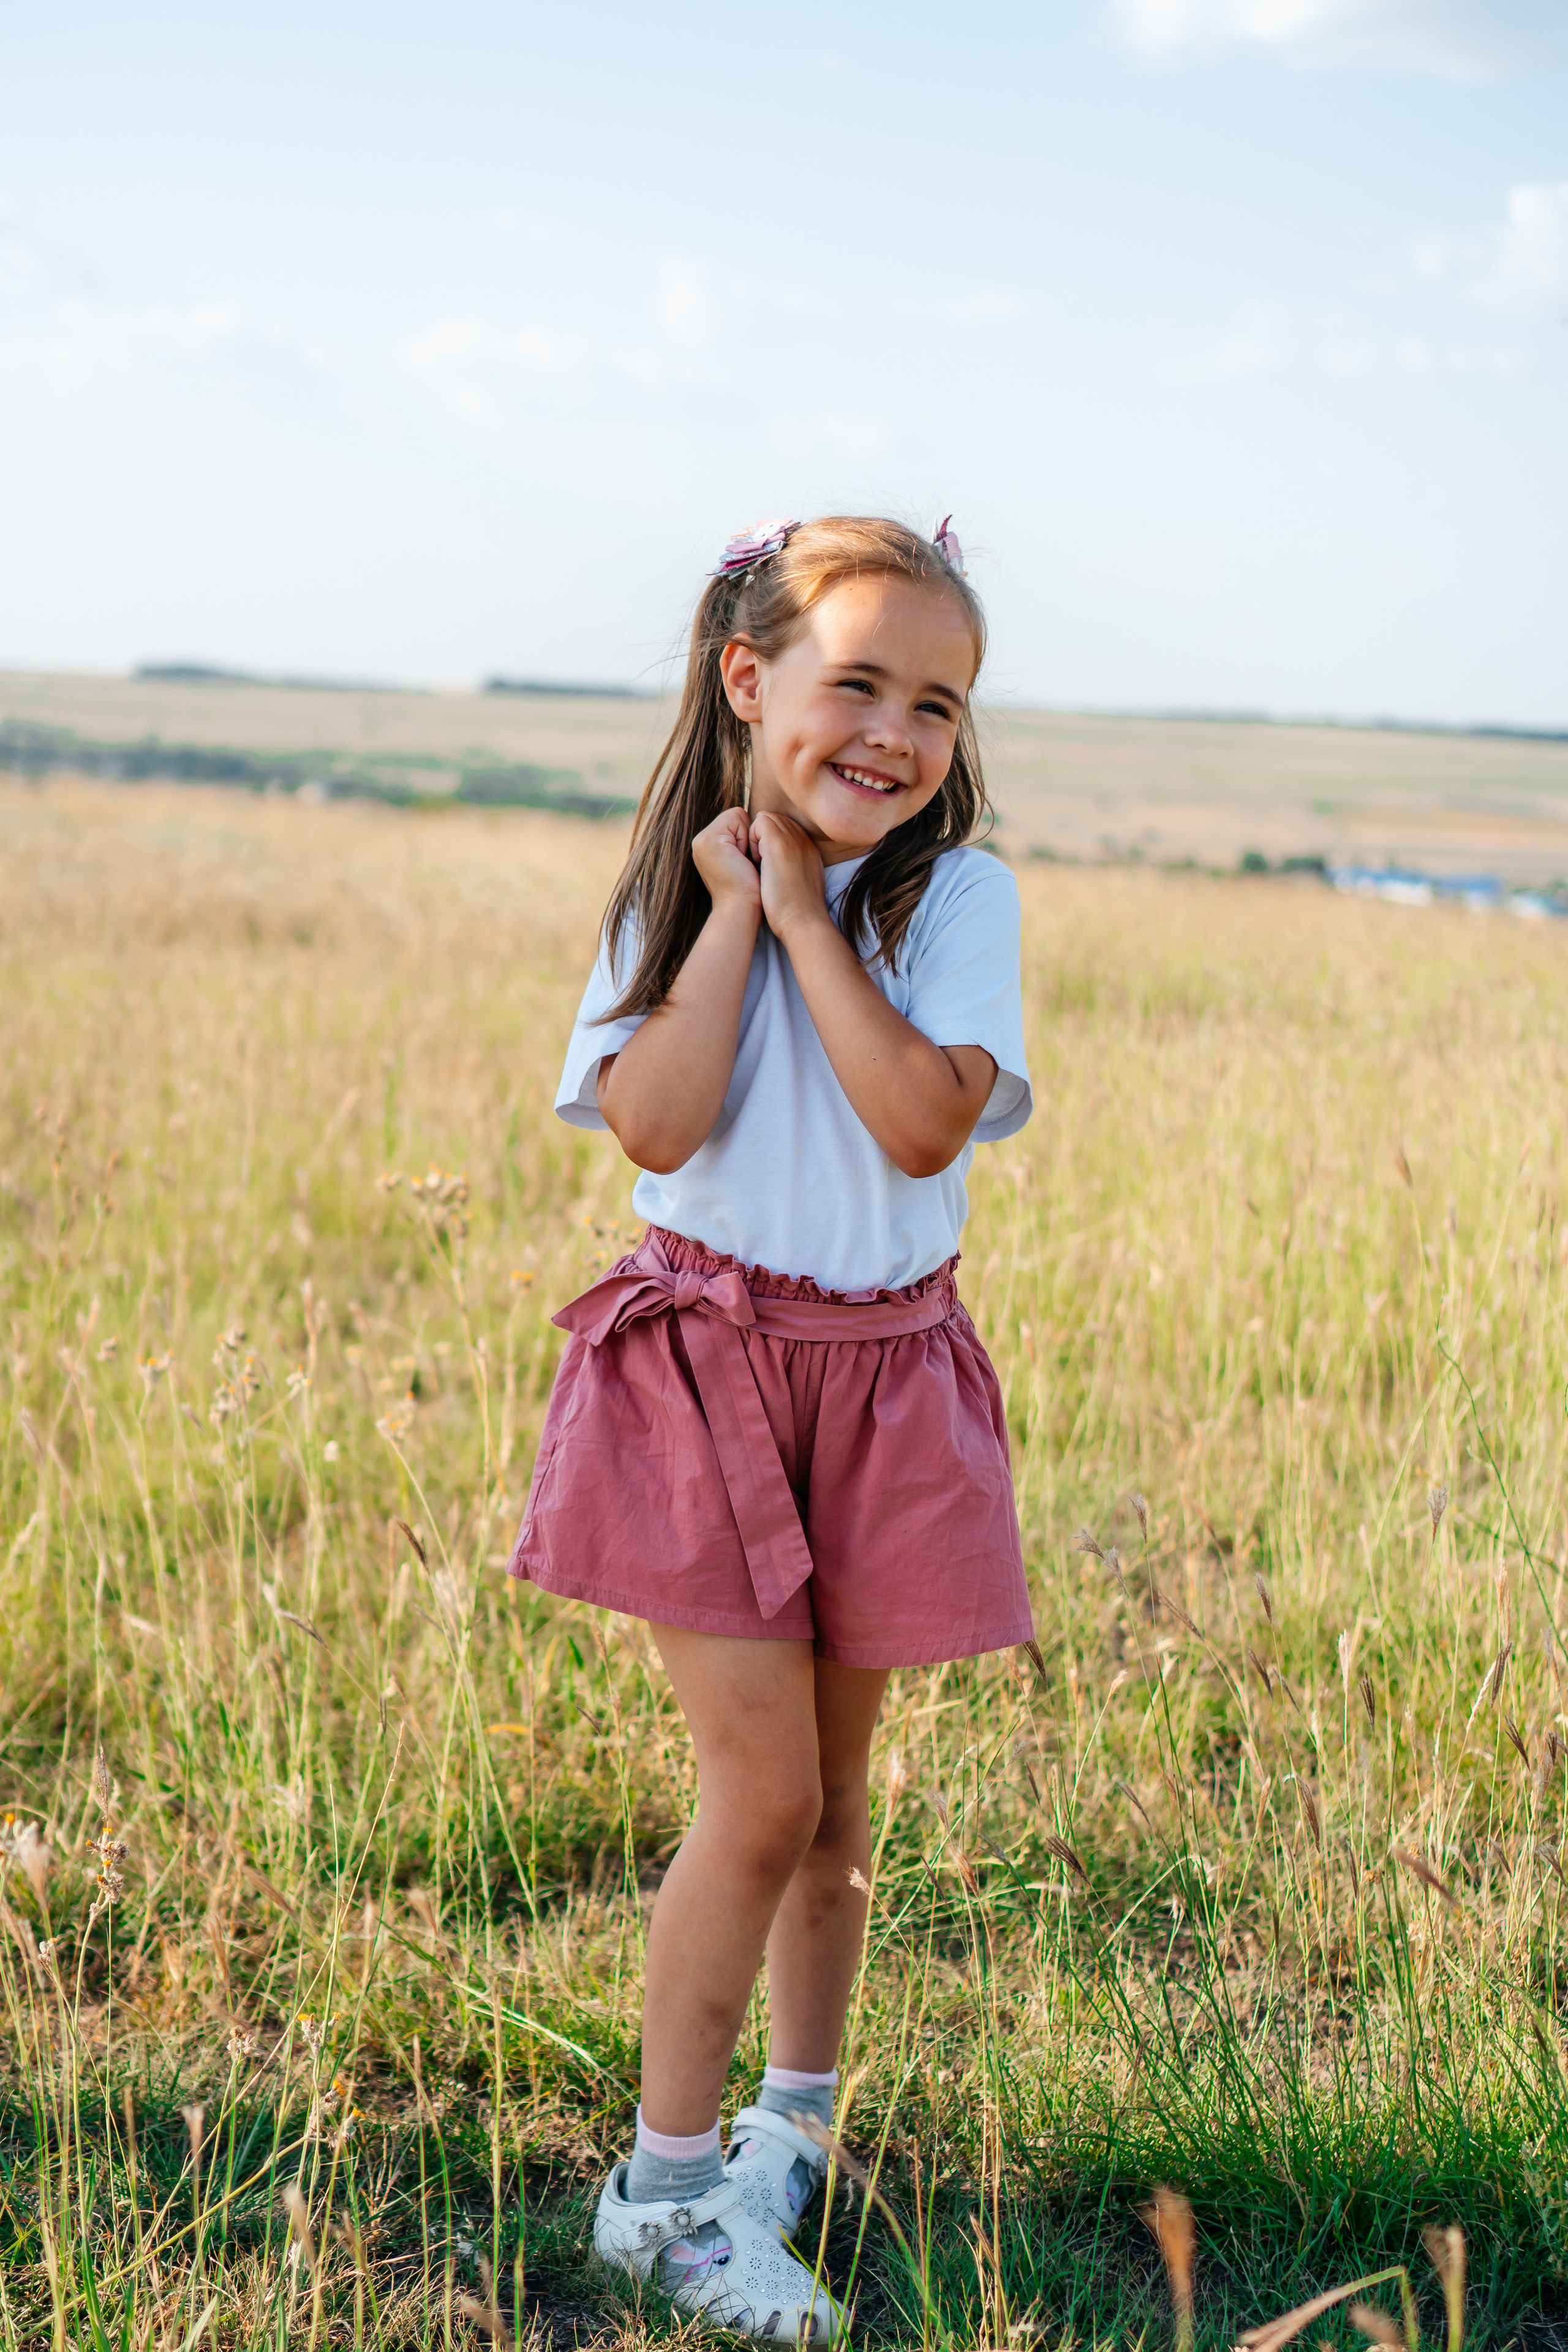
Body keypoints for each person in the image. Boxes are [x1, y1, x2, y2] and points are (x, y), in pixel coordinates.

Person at [509, 513, 1035, 2343]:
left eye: (939, 703)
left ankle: (788, 2137)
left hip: (885, 1375)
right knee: (766, 1795)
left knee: (839, 1813)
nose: (895, 732)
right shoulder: (666, 894)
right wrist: (738, 908)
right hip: (706, 1369)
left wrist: (812, 910)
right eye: (859, 683)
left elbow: (916, 1127)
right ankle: (660, 2198)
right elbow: (655, 1127)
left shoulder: (951, 903)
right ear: (753, 682)